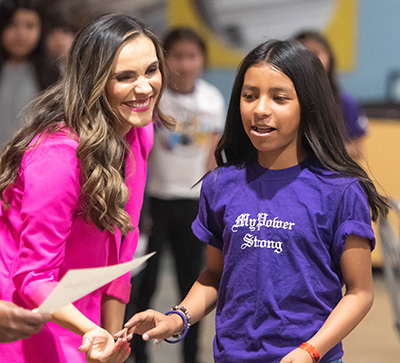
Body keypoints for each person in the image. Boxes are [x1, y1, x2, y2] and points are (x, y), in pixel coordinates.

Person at [118, 39, 390, 363]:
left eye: (279, 98)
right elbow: (215, 276)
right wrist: (177, 318)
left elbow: (360, 292)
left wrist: (311, 350)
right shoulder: (221, 184)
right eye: (250, 96)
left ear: (308, 104)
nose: (260, 109)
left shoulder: (341, 191)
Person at [0, 13, 173, 363]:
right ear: (94, 82)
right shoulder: (57, 157)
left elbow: (125, 241)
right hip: (26, 306)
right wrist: (90, 331)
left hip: (81, 298)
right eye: (125, 77)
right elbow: (34, 275)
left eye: (151, 70)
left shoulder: (139, 129)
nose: (144, 88)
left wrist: (112, 336)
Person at [126, 27, 225, 363]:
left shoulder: (212, 100)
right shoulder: (153, 96)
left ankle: (190, 355)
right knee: (144, 285)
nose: (185, 63)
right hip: (154, 202)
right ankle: (137, 354)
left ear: (202, 60)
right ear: (165, 60)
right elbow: (141, 153)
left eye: (192, 56)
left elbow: (213, 158)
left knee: (192, 284)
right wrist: (139, 207)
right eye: (177, 56)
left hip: (195, 205)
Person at [294, 30, 368, 161]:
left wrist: (325, 151)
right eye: (302, 54)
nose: (310, 60)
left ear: (329, 57)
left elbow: (357, 149)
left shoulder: (346, 102)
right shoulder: (283, 102)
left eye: (316, 52)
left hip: (330, 173)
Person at [0, 0, 60, 147]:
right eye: (12, 24)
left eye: (30, 26)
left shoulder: (52, 73)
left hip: (31, 159)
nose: (21, 33)